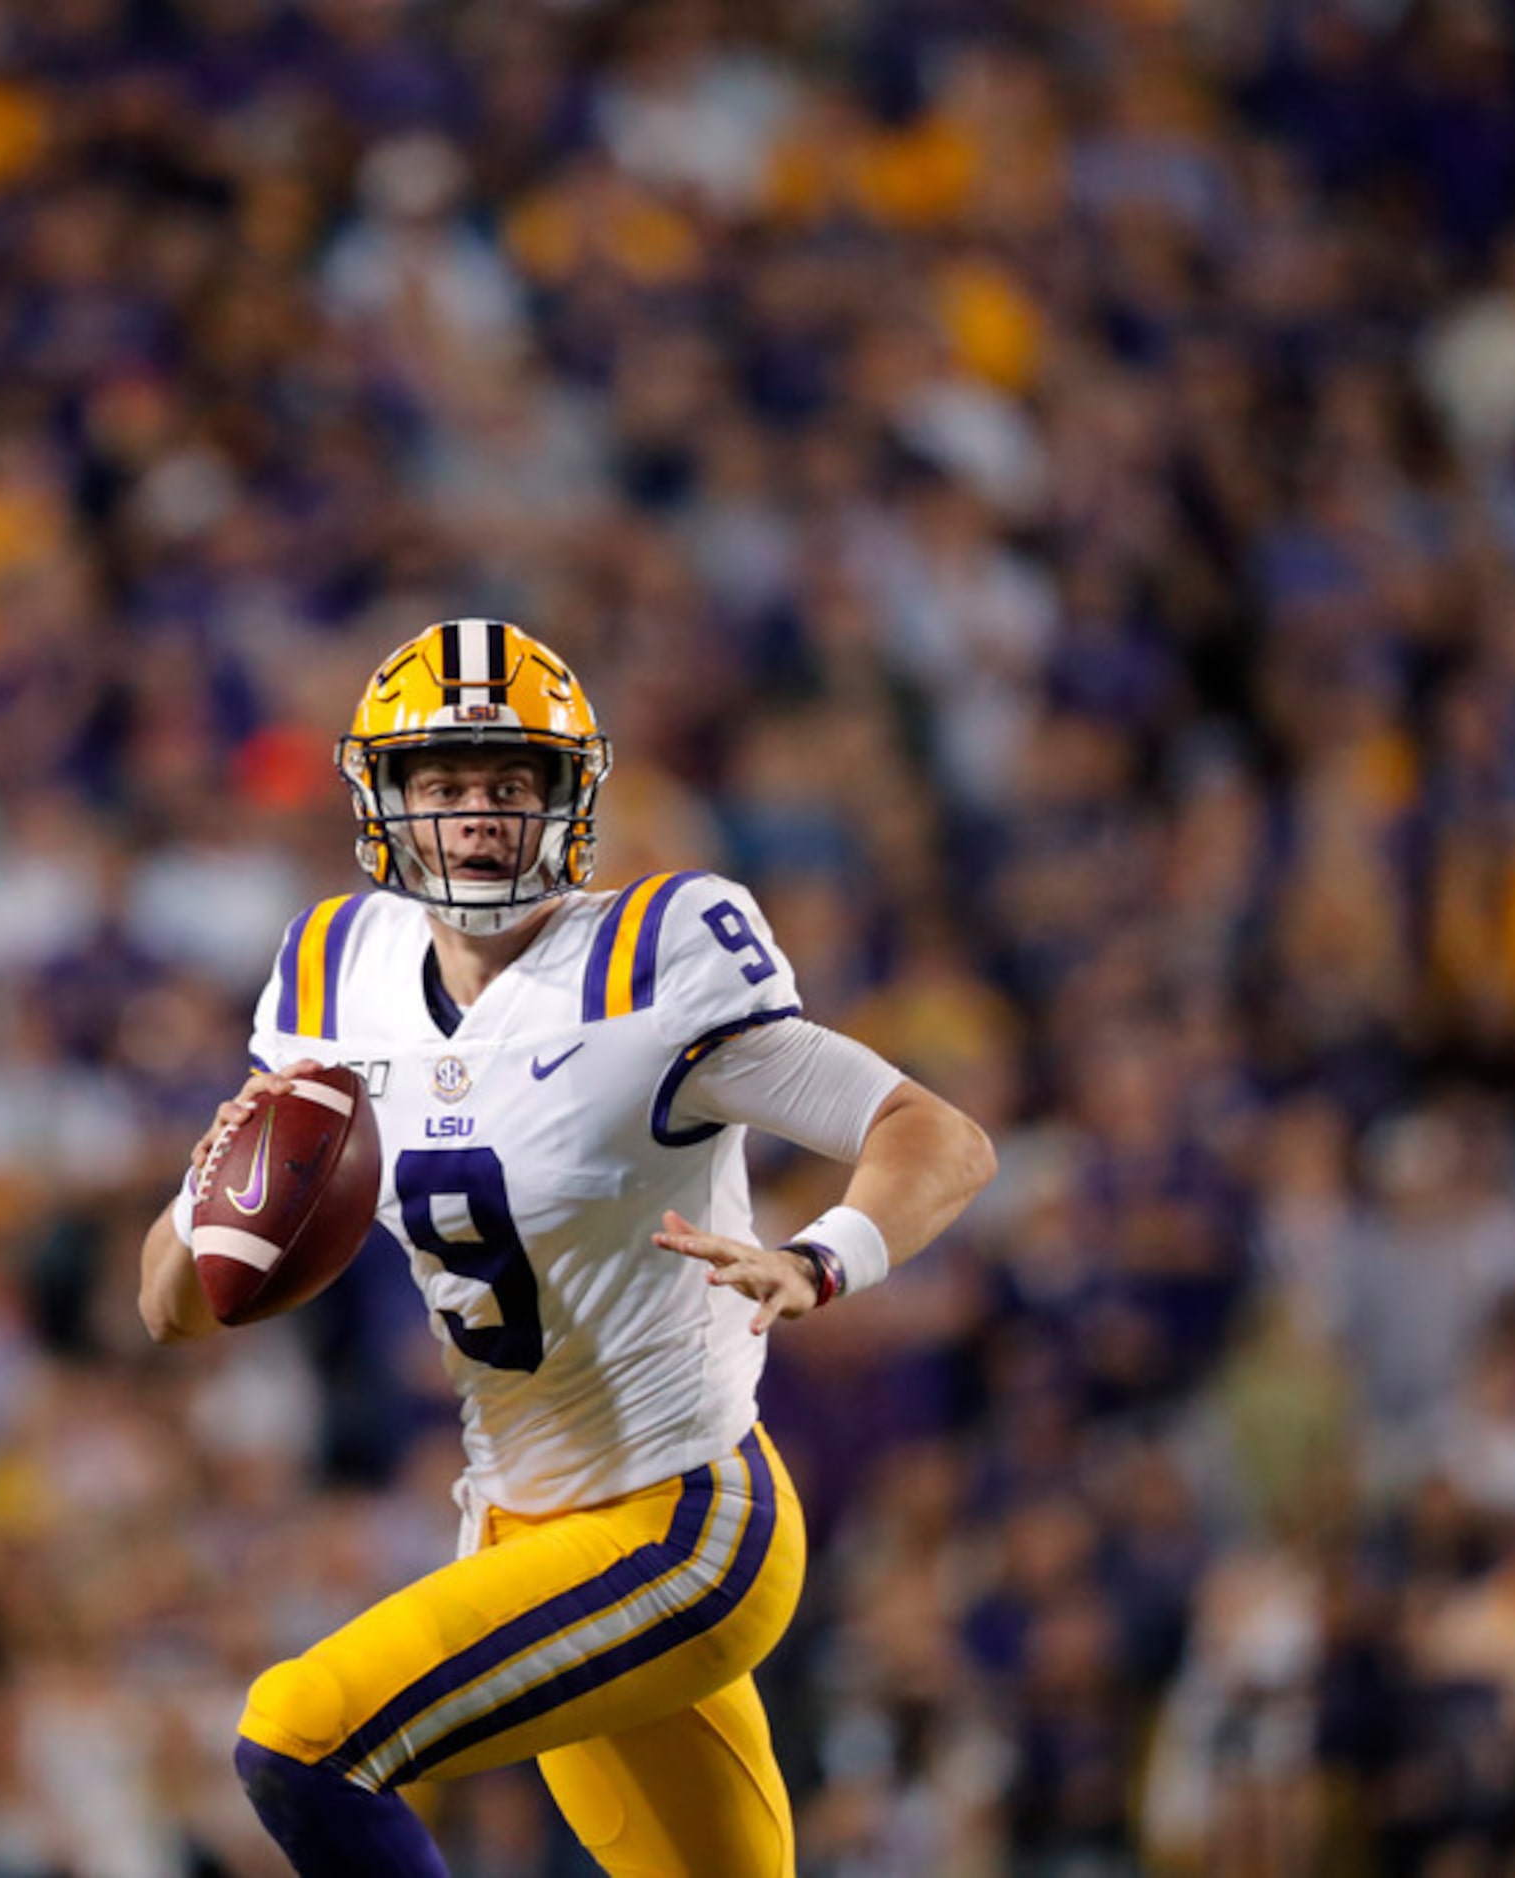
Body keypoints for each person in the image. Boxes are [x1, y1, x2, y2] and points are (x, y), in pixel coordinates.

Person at [139, 619, 996, 1874]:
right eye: (443, 786)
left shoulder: (654, 958)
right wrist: (218, 1188)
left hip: (683, 1523)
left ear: (567, 800)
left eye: (508, 783)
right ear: (384, 802)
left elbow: (935, 1135)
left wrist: (822, 1257)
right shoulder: (334, 972)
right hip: (519, 1534)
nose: (478, 816)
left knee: (298, 1738)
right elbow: (170, 1310)